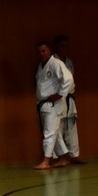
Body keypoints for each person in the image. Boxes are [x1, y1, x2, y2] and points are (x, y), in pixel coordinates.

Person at [34, 41, 73, 170]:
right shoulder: (41, 66)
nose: (41, 54)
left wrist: (60, 94)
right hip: (43, 103)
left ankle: (46, 161)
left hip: (53, 103)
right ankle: (64, 158)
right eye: (39, 52)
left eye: (43, 51)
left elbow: (68, 79)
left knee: (49, 133)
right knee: (55, 133)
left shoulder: (56, 63)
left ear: (50, 50)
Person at [53, 34, 84, 164]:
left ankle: (73, 156)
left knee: (70, 126)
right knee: (57, 128)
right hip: (57, 98)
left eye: (66, 45)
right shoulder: (53, 62)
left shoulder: (69, 61)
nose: (64, 48)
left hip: (69, 98)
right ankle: (58, 157)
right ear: (57, 46)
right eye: (62, 45)